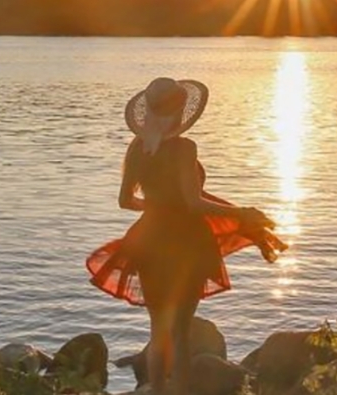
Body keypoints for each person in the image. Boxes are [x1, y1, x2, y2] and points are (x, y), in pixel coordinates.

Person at [87, 77, 286, 395]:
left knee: (158, 330)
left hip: (148, 240)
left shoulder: (138, 148)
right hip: (186, 244)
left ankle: (157, 391)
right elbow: (193, 203)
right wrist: (241, 212)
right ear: (180, 112)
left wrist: (156, 207)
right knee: (180, 332)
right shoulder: (183, 147)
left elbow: (125, 202)